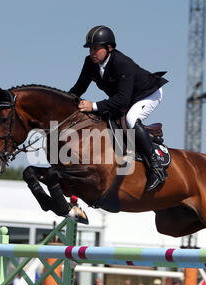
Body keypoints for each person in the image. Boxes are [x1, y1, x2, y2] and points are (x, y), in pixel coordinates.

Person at [70, 25, 169, 191]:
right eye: (90, 49)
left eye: (96, 49)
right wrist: (65, 102)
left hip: (148, 93)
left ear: (109, 48)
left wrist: (93, 106)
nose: (92, 53)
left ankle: (156, 168)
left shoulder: (122, 63)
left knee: (131, 119)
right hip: (126, 97)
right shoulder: (90, 63)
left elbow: (122, 101)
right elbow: (79, 88)